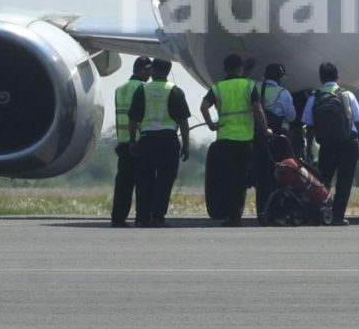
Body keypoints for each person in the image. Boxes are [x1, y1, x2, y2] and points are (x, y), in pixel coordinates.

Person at [127, 58, 190, 226]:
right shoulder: (176, 92)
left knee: (143, 180)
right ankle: (158, 217)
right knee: (165, 180)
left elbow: (133, 119)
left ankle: (142, 218)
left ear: (153, 70)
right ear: (168, 72)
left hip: (147, 140)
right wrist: (186, 144)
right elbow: (183, 122)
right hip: (168, 140)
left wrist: (132, 140)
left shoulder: (142, 90)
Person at [198, 55, 260, 224]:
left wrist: (211, 124)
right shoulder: (248, 85)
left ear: (225, 69)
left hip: (225, 139)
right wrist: (264, 128)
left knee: (229, 178)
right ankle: (237, 214)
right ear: (240, 69)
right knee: (242, 177)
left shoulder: (218, 87)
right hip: (245, 140)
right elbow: (257, 109)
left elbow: (203, 106)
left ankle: (232, 215)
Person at [299, 61, 359, 223]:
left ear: (320, 79)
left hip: (327, 146)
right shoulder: (348, 95)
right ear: (337, 77)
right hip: (349, 144)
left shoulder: (314, 97)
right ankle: (338, 217)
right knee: (344, 183)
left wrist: (308, 150)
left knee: (322, 182)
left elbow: (309, 126)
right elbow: (358, 122)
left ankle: (320, 215)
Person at [109, 56, 150, 226]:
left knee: (123, 183)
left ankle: (118, 217)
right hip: (139, 141)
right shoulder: (143, 89)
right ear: (142, 70)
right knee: (143, 183)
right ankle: (142, 217)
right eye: (148, 70)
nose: (150, 74)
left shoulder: (120, 89)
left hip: (123, 142)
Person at [255, 62, 296, 209]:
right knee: (277, 175)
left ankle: (261, 209)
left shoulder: (255, 87)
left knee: (260, 176)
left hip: (255, 138)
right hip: (276, 139)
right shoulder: (283, 93)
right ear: (280, 78)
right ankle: (275, 209)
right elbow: (291, 117)